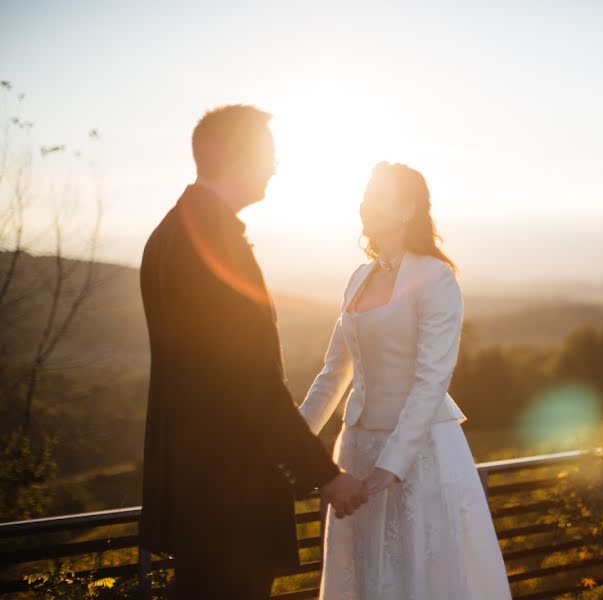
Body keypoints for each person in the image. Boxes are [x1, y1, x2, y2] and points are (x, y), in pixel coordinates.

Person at [138, 104, 367, 599]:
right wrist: (324, 474)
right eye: (269, 155)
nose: (275, 167)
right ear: (237, 158)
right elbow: (250, 379)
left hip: (190, 487)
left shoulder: (166, 233)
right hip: (229, 494)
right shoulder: (214, 241)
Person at [299, 162, 512, 599]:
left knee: (420, 576)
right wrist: (290, 443)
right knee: (365, 577)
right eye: (364, 194)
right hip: (356, 449)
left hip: (420, 456)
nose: (364, 204)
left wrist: (388, 469)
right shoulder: (358, 278)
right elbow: (334, 372)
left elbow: (431, 379)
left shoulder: (435, 277)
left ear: (407, 209)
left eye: (378, 196)